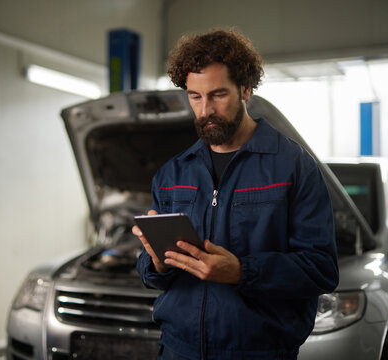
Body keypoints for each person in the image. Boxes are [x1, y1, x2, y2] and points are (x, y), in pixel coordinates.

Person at [133, 28, 339, 360]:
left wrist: (243, 271)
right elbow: (153, 274)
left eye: (217, 95)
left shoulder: (293, 167)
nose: (204, 111)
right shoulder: (173, 174)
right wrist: (156, 263)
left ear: (245, 89)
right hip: (177, 349)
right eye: (195, 96)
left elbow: (321, 269)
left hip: (259, 351)